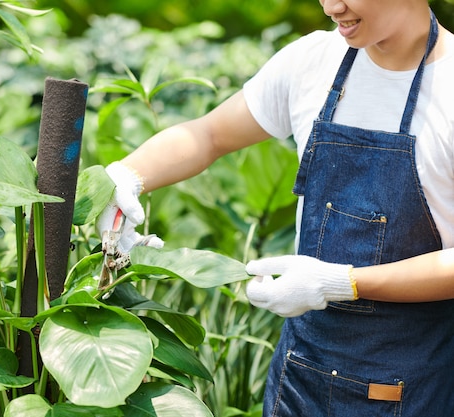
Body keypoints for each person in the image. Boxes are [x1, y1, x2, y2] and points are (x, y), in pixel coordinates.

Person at [97, 0, 454, 415]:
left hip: (413, 384)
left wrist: (345, 282)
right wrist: (127, 176)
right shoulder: (312, 62)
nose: (331, 6)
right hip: (301, 375)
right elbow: (209, 135)